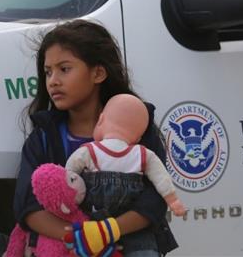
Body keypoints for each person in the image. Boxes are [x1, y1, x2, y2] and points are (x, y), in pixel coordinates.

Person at [12, 20, 178, 257]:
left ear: (98, 73)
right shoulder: (44, 137)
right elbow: (27, 205)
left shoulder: (138, 128)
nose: (53, 81)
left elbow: (154, 199)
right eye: (48, 72)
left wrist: (105, 233)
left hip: (128, 243)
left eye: (64, 69)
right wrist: (80, 238)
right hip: (67, 245)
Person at [66, 93, 186, 220]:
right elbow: (161, 178)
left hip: (93, 219)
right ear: (138, 138)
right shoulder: (143, 154)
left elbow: (68, 173)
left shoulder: (90, 151)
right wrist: (173, 200)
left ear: (101, 120)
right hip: (128, 222)